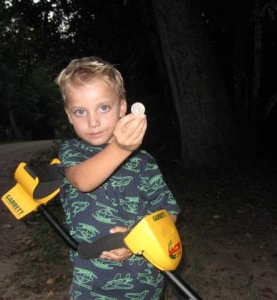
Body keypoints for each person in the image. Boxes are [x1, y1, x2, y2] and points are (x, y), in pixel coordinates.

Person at [55, 57, 180, 300]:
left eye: (104, 107)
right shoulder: (73, 152)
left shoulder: (144, 162)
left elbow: (168, 211)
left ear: (122, 108)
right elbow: (82, 180)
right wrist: (121, 148)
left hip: (144, 280)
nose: (93, 121)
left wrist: (136, 238)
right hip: (92, 284)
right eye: (80, 111)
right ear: (69, 115)